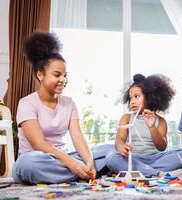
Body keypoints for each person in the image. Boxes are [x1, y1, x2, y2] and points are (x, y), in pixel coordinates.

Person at [12, 32, 114, 184]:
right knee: (27, 164)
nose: (63, 80)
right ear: (40, 75)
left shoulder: (69, 103)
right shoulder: (26, 103)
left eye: (65, 75)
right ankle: (79, 173)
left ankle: (82, 171)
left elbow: (77, 137)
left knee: (109, 151)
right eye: (57, 75)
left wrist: (89, 161)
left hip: (64, 158)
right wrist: (72, 164)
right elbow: (38, 144)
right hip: (38, 158)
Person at [106, 74, 182, 177]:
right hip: (132, 159)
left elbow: (162, 147)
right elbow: (119, 140)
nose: (132, 101)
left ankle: (141, 171)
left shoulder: (161, 121)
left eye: (137, 96)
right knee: (111, 157)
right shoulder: (126, 118)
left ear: (150, 97)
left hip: (156, 159)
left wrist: (152, 127)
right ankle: (158, 174)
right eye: (130, 98)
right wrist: (121, 147)